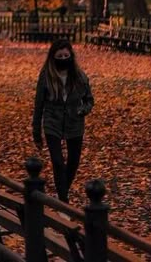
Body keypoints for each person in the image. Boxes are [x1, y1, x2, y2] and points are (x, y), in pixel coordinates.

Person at [32, 39, 94, 203]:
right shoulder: (46, 76)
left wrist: (82, 110)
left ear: (71, 56)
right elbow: (39, 104)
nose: (64, 58)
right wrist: (36, 131)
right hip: (52, 121)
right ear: (53, 57)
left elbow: (89, 100)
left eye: (66, 55)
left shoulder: (80, 77)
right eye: (60, 56)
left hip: (74, 122)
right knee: (58, 162)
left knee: (73, 162)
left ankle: (62, 192)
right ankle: (63, 201)